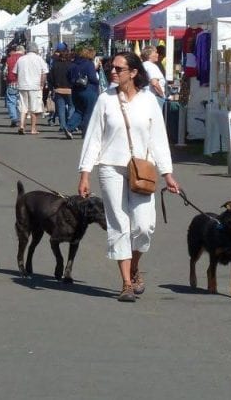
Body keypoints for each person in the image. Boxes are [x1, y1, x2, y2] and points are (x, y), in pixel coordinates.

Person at [77, 51, 181, 302]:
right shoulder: (105, 99)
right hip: (110, 166)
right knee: (119, 225)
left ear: (133, 72)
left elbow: (159, 140)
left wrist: (168, 174)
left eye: (119, 68)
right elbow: (93, 138)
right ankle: (125, 283)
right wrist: (85, 174)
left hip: (142, 169)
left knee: (144, 226)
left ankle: (134, 266)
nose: (112, 72)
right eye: (111, 68)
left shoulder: (148, 102)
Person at [14, 42, 48, 135]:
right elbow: (44, 73)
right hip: (35, 86)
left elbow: (15, 72)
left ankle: (21, 125)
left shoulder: (21, 59)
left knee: (23, 106)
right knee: (34, 108)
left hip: (22, 85)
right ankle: (33, 129)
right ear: (36, 50)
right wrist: (42, 84)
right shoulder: (39, 59)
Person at [69, 46, 100, 134]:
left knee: (79, 110)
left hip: (75, 90)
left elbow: (68, 76)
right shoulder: (89, 64)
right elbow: (92, 77)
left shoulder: (74, 63)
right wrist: (98, 82)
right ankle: (86, 131)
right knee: (89, 111)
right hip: (88, 89)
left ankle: (69, 127)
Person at [49, 48, 77, 139]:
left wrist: (52, 87)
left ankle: (62, 126)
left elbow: (51, 78)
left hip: (58, 89)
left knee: (61, 108)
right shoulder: (72, 65)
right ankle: (70, 122)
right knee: (72, 106)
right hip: (70, 89)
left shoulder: (55, 65)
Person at [4, 44, 25, 128]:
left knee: (11, 102)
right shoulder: (24, 59)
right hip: (22, 83)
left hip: (11, 82)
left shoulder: (9, 59)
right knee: (22, 102)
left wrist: (6, 78)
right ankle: (22, 119)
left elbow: (5, 72)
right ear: (23, 51)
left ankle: (14, 118)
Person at [141, 46, 167, 111]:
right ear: (149, 55)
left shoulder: (143, 65)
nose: (157, 54)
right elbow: (154, 83)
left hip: (145, 97)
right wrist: (162, 95)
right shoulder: (151, 66)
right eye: (155, 52)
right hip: (154, 98)